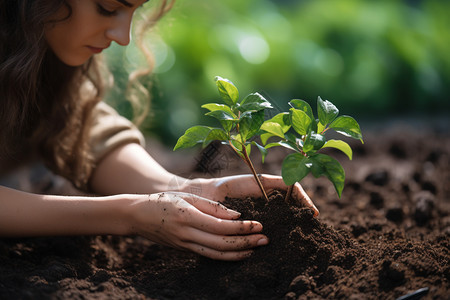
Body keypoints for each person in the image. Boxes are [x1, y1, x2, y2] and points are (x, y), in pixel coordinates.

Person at [0, 0, 318, 261]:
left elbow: (83, 127)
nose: (123, 37)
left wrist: (186, 189)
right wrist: (129, 215)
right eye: (108, 8)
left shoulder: (39, 55)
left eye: (134, 11)